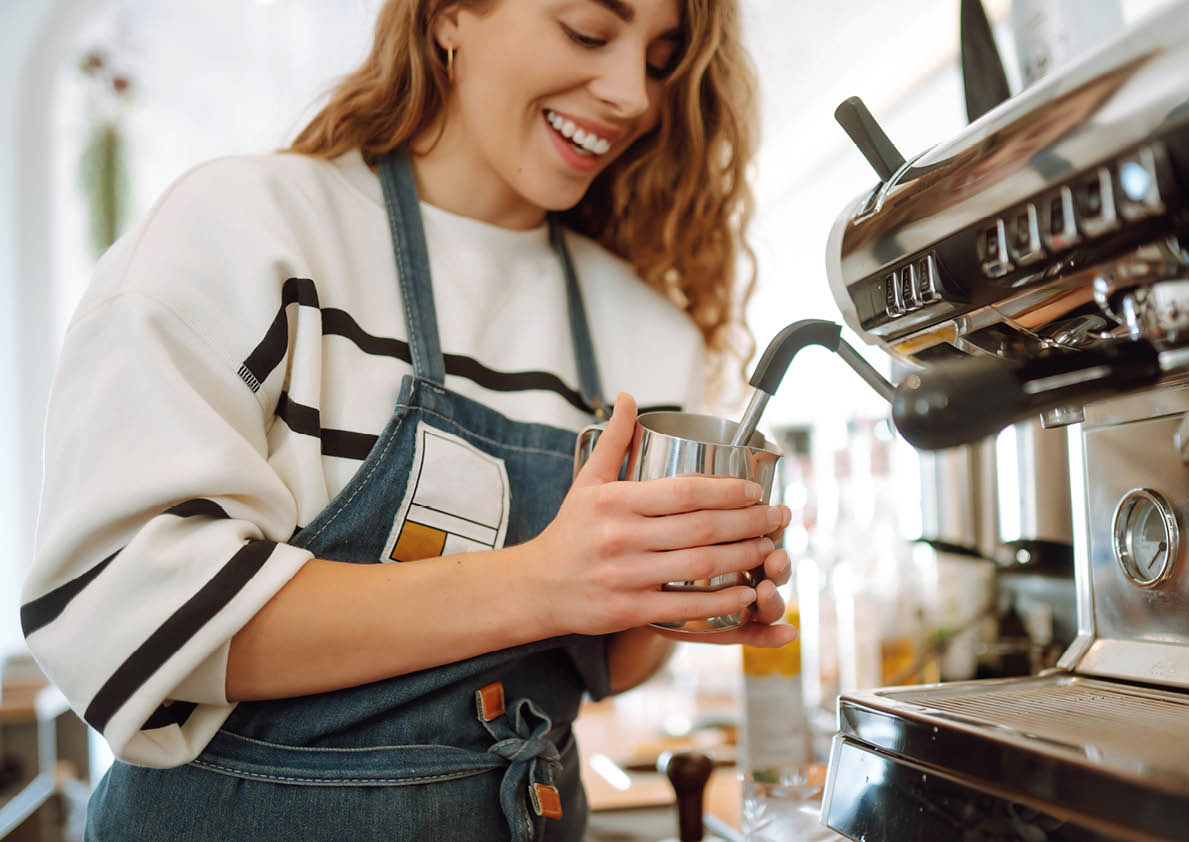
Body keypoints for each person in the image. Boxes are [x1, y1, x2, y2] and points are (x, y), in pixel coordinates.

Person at [21, 1, 795, 839]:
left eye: (658, 59)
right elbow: (128, 614)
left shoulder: (647, 335)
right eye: (587, 31)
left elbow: (605, 664)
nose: (632, 95)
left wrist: (676, 591)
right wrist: (543, 583)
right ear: (450, 16)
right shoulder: (245, 231)